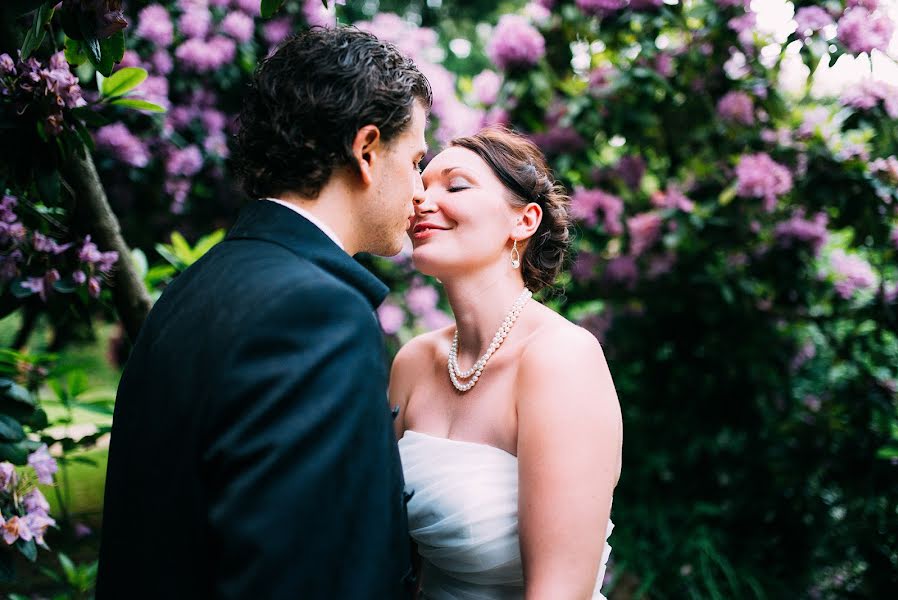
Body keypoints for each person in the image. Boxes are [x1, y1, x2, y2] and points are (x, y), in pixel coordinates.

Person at [97, 27, 431, 599]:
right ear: (368, 150)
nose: (422, 191)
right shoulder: (317, 311)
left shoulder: (192, 288)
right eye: (417, 160)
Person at [390, 127, 623, 599]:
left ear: (524, 221)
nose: (421, 199)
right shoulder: (413, 362)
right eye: (422, 182)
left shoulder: (562, 360)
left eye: (455, 185)